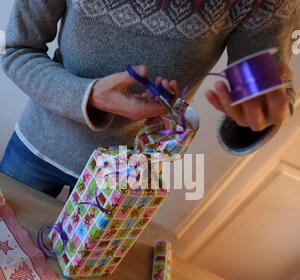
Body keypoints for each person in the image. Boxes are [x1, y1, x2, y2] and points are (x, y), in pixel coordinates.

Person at [0, 0, 298, 197]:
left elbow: (262, 89)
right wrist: (87, 96)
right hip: (37, 148)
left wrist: (254, 119)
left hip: (129, 178)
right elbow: (16, 50)